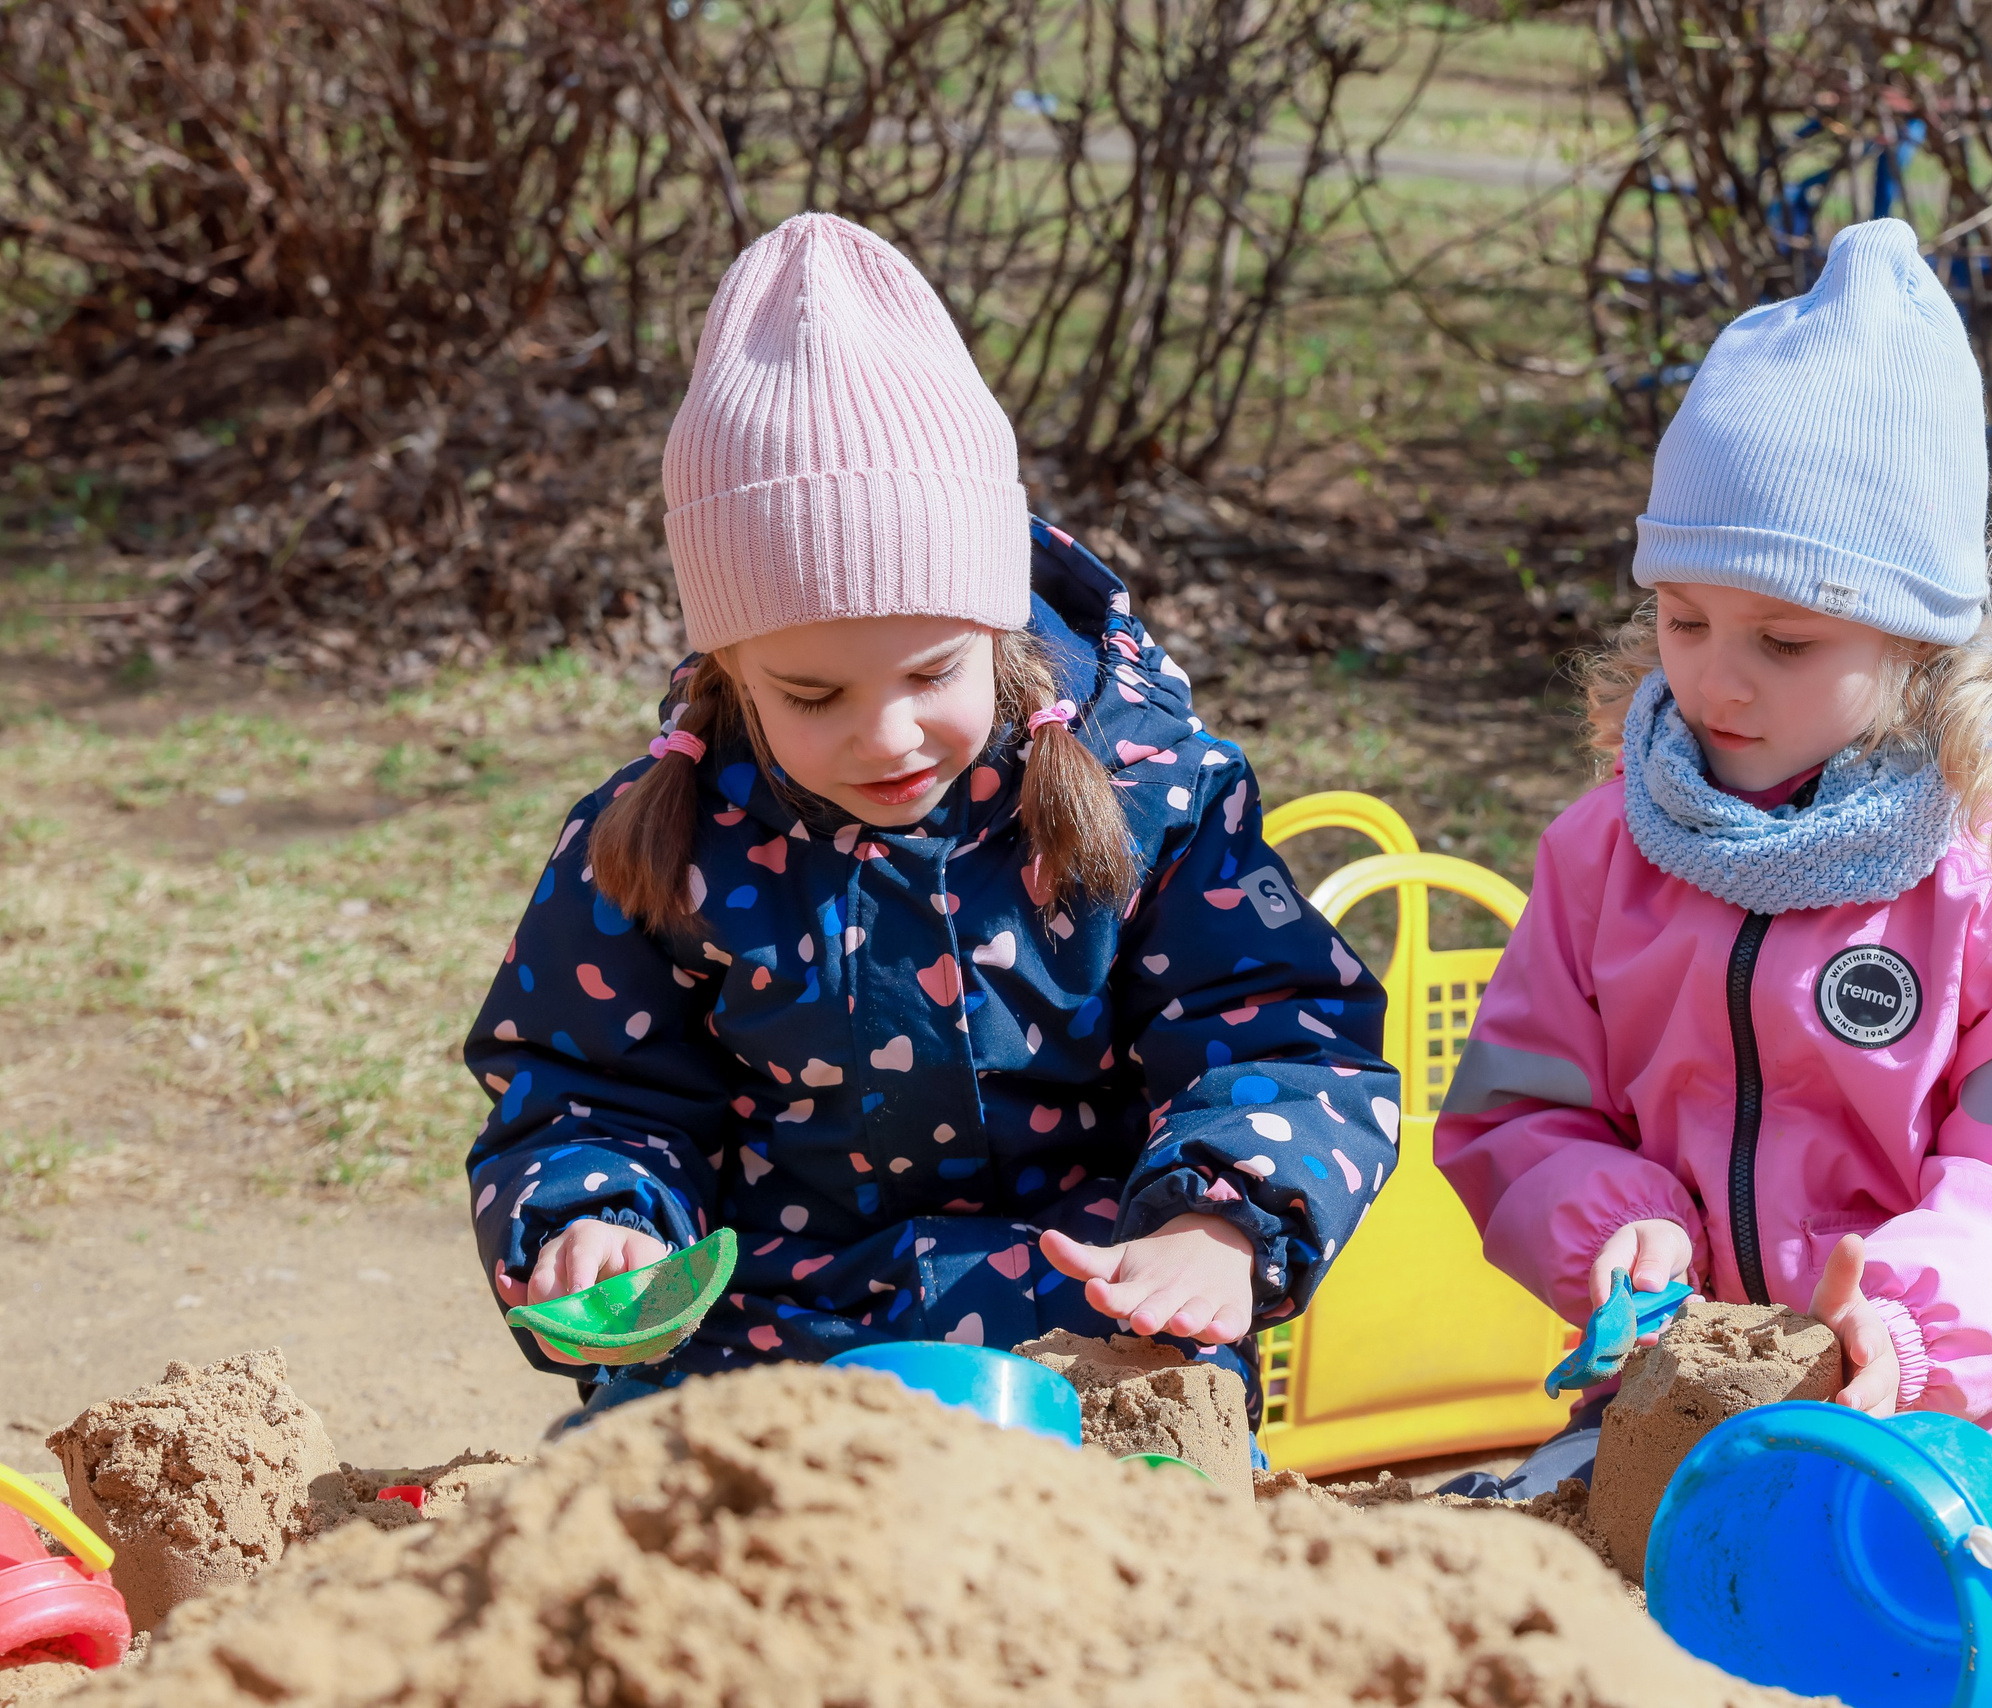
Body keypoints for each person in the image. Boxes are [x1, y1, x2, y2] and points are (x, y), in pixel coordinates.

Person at [461, 213, 1399, 1424]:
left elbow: (1281, 1034)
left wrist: (1218, 1217)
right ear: (730, 668)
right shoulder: (664, 835)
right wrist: (597, 1213)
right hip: (768, 1340)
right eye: (812, 694)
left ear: (999, 623)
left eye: (930, 674)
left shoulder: (1155, 797)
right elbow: (588, 1087)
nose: (888, 735)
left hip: (1082, 1321)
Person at [1434, 220, 1992, 1553]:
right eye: (1683, 620)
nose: (1716, 679)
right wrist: (1613, 1229)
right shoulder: (1607, 850)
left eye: (1785, 640)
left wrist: (1913, 1316)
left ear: (1921, 643)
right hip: (1704, 1422)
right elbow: (1517, 1113)